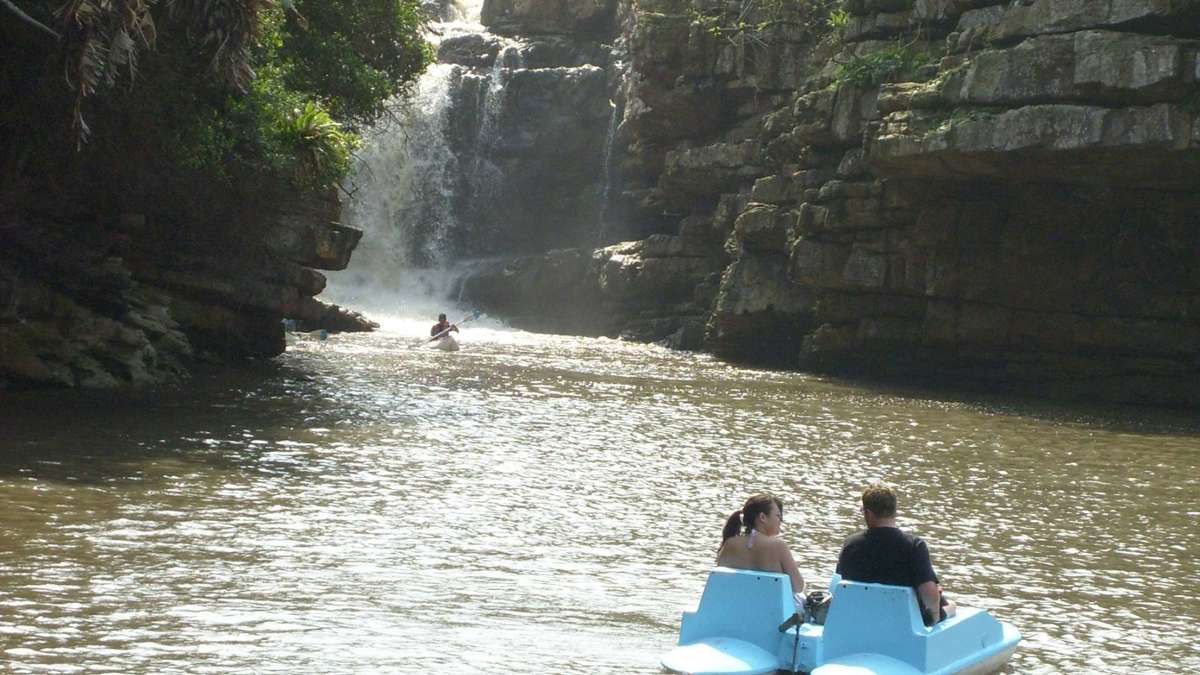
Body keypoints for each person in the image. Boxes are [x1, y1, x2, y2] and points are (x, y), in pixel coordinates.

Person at [835, 484, 957, 626]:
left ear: (868, 513)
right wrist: (935, 618)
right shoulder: (914, 546)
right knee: (951, 605)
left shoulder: (850, 544)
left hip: (861, 619)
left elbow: (841, 584)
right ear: (894, 511)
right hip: (903, 623)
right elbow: (929, 594)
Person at [716, 494, 806, 600]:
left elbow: (719, 580)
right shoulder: (778, 546)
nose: (780, 520)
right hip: (772, 607)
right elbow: (798, 587)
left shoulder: (730, 543)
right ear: (762, 517)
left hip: (735, 604)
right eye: (777, 516)